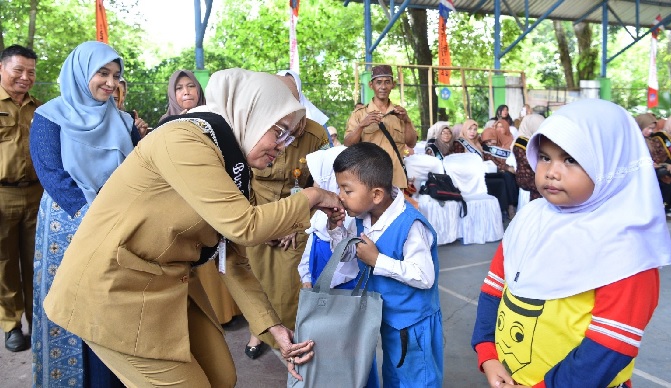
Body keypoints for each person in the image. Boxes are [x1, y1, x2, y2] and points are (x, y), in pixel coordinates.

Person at [42, 68, 343, 387]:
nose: (282, 146)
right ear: (251, 113)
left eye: (289, 137)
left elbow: (234, 258)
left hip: (164, 283)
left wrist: (271, 328)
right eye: (279, 131)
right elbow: (245, 226)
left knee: (222, 378)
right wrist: (313, 196)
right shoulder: (184, 138)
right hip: (114, 288)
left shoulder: (232, 162)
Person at [471, 99, 671, 388]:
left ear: (609, 163)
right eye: (545, 157)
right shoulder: (530, 219)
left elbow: (608, 347)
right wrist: (487, 352)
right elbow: (494, 288)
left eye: (571, 159)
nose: (552, 171)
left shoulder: (627, 250)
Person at [30, 40, 141, 388]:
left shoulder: (125, 122)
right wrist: (96, 220)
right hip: (67, 224)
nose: (111, 83)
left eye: (116, 76)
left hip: (119, 227)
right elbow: (52, 175)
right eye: (103, 73)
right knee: (68, 305)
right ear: (81, 73)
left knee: (112, 306)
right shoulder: (49, 116)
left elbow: (138, 174)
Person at [328, 142, 443, 387]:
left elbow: (424, 276)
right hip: (387, 316)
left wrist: (377, 260)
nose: (340, 197)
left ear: (377, 194)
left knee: (415, 378)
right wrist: (336, 231)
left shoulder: (411, 225)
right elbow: (348, 255)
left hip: (411, 322)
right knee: (394, 372)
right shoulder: (361, 217)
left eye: (347, 190)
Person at [244, 71, 330, 359]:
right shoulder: (253, 128)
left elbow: (320, 185)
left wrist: (294, 224)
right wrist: (263, 224)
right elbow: (240, 179)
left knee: (290, 284)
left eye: (291, 97)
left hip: (297, 219)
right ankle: (258, 329)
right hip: (256, 214)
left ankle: (293, 339)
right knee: (255, 277)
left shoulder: (315, 133)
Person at [0, 44, 41, 353]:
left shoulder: (40, 109)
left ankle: (37, 321)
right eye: (18, 70)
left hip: (37, 194)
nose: (25, 77)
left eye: (31, 72)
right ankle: (11, 325)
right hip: (1, 194)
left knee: (36, 262)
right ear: (2, 69)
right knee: (4, 264)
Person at [345, 65, 417, 189]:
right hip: (369, 178)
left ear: (393, 85)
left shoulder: (399, 113)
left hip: (396, 179)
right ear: (371, 85)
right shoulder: (360, 114)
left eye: (387, 82)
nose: (383, 87)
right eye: (378, 82)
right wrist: (362, 125)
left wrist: (407, 121)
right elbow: (347, 144)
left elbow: (411, 143)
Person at [635, 113, 671, 216]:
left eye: (652, 129)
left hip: (652, 168)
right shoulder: (632, 140)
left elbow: (656, 159)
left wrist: (663, 164)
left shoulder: (651, 140)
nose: (650, 131)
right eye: (648, 128)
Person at [481, 125, 519, 219]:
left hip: (507, 171)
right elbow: (490, 161)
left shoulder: (506, 142)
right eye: (486, 142)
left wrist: (508, 168)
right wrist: (506, 167)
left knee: (508, 176)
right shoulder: (485, 147)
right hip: (494, 171)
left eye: (491, 140)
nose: (489, 143)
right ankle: (510, 207)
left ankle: (512, 205)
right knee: (506, 176)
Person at [513, 113, 545, 201]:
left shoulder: (536, 140)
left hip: (535, 177)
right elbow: (531, 163)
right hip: (527, 180)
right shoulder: (521, 142)